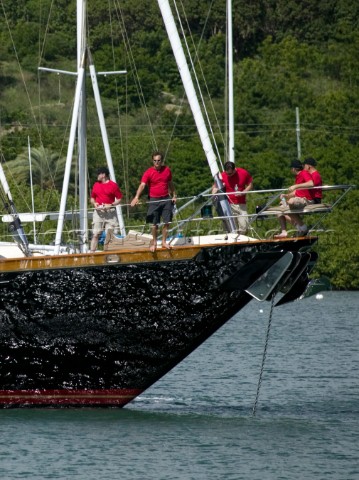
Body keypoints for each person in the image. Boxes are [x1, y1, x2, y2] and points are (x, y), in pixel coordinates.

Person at [130, 151, 176, 252]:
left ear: (161, 161)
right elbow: (142, 185)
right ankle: (154, 241)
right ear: (152, 161)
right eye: (155, 161)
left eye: (159, 160)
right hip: (154, 199)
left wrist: (174, 195)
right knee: (154, 223)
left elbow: (170, 183)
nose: (157, 163)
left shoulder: (167, 170)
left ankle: (164, 241)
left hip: (166, 198)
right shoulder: (148, 172)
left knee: (167, 221)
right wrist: (137, 197)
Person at [274, 159, 314, 238]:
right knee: (279, 210)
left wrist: (296, 186)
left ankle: (303, 227)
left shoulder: (304, 173)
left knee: (291, 203)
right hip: (298, 198)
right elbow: (296, 192)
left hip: (305, 199)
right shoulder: (298, 177)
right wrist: (286, 195)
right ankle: (285, 231)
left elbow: (311, 183)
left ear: (293, 168)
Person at [212, 161, 253, 234]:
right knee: (231, 228)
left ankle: (241, 240)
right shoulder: (223, 175)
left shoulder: (243, 173)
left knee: (244, 226)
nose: (229, 175)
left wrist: (243, 192)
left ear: (235, 169)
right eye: (228, 173)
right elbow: (215, 185)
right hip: (228, 205)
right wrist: (214, 190)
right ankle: (234, 241)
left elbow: (250, 184)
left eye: (231, 173)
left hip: (241, 204)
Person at [89, 166, 123, 252]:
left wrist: (111, 204)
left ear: (103, 175)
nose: (97, 175)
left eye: (98, 174)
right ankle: (91, 253)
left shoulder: (113, 185)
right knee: (95, 234)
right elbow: (92, 198)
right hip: (98, 213)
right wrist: (94, 203)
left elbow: (119, 199)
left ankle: (106, 254)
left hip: (110, 213)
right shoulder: (96, 185)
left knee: (110, 235)